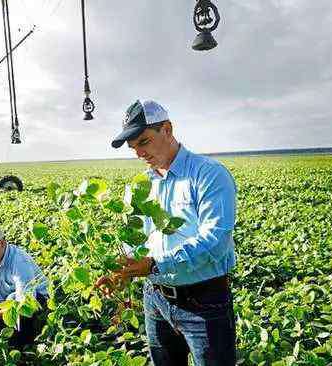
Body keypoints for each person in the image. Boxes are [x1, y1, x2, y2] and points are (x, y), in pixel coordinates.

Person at [97, 99, 237, 365]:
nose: (139, 153)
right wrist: (121, 272)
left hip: (204, 301)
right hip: (155, 299)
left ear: (168, 129)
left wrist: (153, 264)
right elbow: (140, 242)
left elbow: (215, 241)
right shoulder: (142, 185)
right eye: (133, 147)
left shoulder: (209, 175)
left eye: (144, 142)